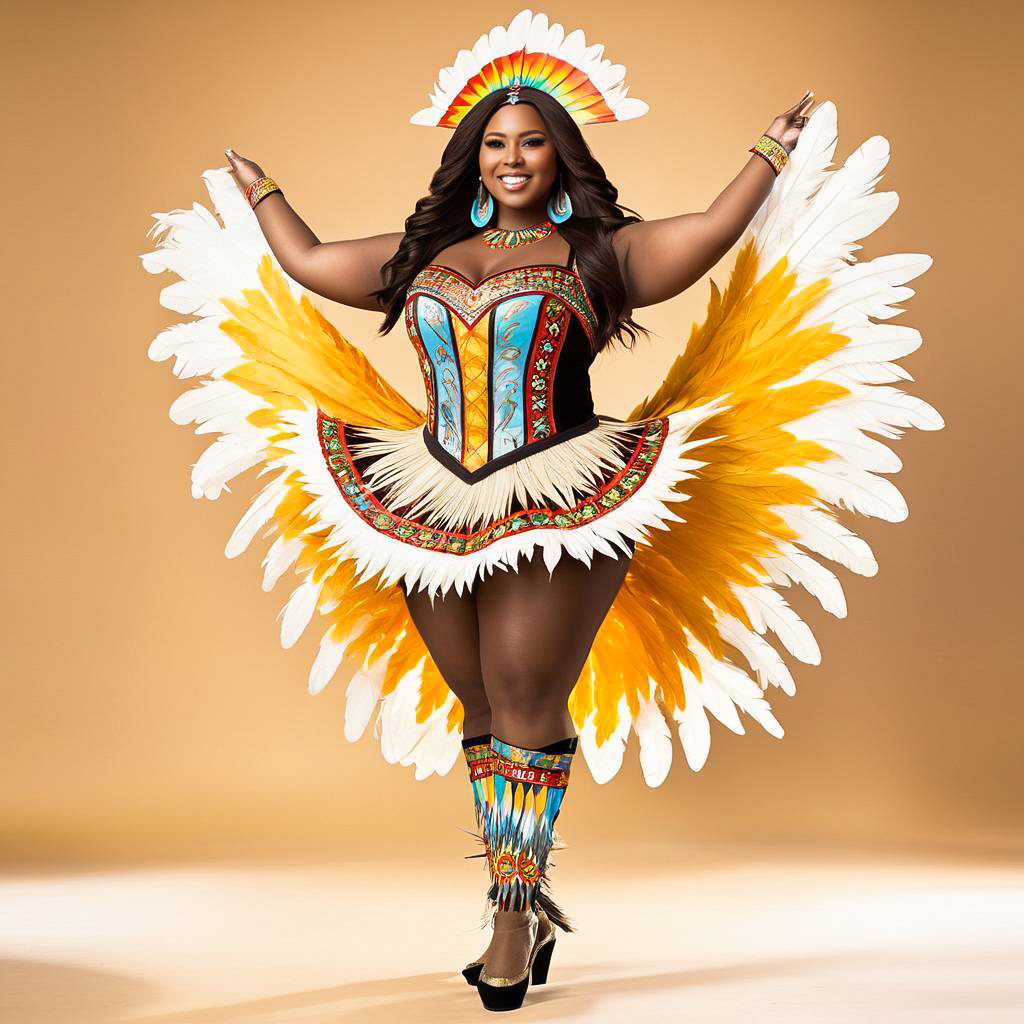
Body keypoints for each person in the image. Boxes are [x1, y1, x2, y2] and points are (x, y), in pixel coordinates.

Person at [144, 9, 941, 1012]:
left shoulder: (600, 254)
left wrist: (766, 156)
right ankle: (517, 885)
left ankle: (513, 923)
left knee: (525, 694)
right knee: (479, 707)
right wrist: (262, 192)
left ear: (559, 158)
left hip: (565, 490)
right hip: (428, 495)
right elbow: (307, 264)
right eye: (495, 142)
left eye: (531, 143)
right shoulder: (418, 257)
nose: (512, 157)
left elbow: (705, 232)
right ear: (471, 157)